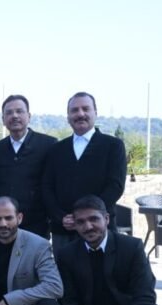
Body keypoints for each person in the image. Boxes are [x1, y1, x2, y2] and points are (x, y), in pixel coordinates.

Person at [0, 96, 57, 305]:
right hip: (4, 227)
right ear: (3, 119)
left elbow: (52, 184)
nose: (15, 116)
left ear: (29, 115)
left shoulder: (48, 145)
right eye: (9, 112)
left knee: (35, 277)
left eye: (20, 111)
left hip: (36, 224)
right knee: (5, 276)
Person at [42, 92, 126, 253]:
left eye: (85, 109)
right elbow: (47, 187)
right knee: (64, 270)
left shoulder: (113, 146)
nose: (80, 114)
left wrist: (86, 217)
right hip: (64, 231)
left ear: (96, 113)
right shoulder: (56, 149)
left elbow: (115, 186)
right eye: (74, 110)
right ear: (68, 117)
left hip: (100, 230)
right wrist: (61, 217)